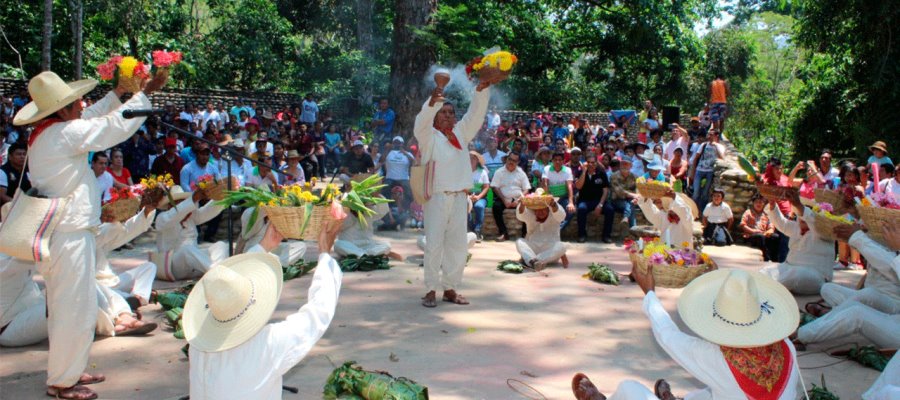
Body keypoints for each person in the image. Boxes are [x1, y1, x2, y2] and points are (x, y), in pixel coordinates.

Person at [12, 70, 165, 399]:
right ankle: (62, 382)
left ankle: (67, 370)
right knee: (71, 308)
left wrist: (118, 93)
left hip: (67, 234)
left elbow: (92, 118)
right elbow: (106, 128)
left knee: (73, 307)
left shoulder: (52, 131)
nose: (81, 104)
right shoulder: (62, 134)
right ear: (62, 110)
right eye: (74, 102)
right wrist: (143, 96)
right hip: (68, 235)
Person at [573, 265, 801, 400]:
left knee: (628, 389)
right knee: (710, 393)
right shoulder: (786, 347)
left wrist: (650, 293)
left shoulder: (717, 358)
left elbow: (668, 335)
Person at [184, 214, 344, 399]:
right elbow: (318, 312)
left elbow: (231, 284)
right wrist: (325, 254)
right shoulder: (267, 344)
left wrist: (264, 246)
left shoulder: (197, 346)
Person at [413, 72, 497, 308]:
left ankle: (450, 288)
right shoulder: (428, 137)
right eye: (444, 113)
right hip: (437, 197)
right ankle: (430, 289)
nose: (449, 116)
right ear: (436, 117)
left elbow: (475, 115)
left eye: (451, 112)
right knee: (434, 245)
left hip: (461, 197)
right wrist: (434, 100)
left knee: (458, 246)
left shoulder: (461, 133)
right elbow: (421, 120)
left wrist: (481, 90)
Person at [794, 225, 899, 350]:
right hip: (893, 316)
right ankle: (830, 317)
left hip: (893, 306)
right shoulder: (881, 239)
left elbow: (890, 268)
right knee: (831, 289)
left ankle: (804, 334)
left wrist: (858, 237)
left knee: (858, 311)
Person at [94, 202, 158, 337]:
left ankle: (137, 298)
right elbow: (109, 231)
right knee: (103, 292)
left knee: (149, 267)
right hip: (97, 287)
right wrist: (115, 220)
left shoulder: (97, 234)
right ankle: (124, 315)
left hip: (114, 283)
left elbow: (128, 231)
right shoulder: (85, 237)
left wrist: (148, 210)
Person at [759, 194, 834, 295]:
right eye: (799, 213)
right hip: (789, 268)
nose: (801, 217)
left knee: (797, 274)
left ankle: (770, 289)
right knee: (766, 271)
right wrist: (772, 205)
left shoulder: (824, 232)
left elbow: (811, 219)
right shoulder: (795, 227)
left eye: (803, 212)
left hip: (816, 277)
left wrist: (799, 205)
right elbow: (781, 223)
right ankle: (764, 287)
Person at [154, 187, 228, 281]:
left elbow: (208, 211)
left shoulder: (191, 216)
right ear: (170, 206)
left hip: (194, 267)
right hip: (173, 267)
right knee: (186, 249)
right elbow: (174, 215)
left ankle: (216, 270)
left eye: (184, 201)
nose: (184, 205)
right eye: (179, 203)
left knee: (220, 245)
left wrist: (222, 196)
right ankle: (219, 274)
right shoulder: (162, 219)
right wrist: (193, 199)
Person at [0, 253, 47, 347]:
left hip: (32, 306)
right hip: (10, 325)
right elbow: (45, 253)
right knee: (61, 308)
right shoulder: (5, 258)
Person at [236, 207, 306, 267]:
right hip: (256, 248)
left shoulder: (277, 213)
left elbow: (287, 234)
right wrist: (265, 209)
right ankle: (273, 263)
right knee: (267, 255)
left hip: (273, 249)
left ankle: (277, 263)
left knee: (301, 245)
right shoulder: (251, 212)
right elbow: (246, 235)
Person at [515, 196, 568, 270]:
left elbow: (561, 215)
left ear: (548, 209)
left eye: (543, 209)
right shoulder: (530, 215)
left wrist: (553, 204)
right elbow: (521, 215)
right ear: (534, 210)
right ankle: (534, 262)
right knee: (519, 241)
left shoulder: (554, 215)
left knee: (563, 246)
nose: (540, 212)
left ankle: (532, 261)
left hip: (549, 253)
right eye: (537, 210)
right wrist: (522, 204)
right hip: (533, 249)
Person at [491, 153, 531, 242]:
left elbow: (526, 189)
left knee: (527, 209)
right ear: (506, 159)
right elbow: (495, 187)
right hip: (503, 198)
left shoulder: (521, 173)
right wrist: (504, 199)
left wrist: (519, 200)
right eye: (510, 159)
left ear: (518, 162)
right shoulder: (499, 171)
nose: (511, 162)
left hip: (518, 199)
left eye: (514, 160)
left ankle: (525, 234)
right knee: (496, 207)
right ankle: (503, 233)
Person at [602, 157, 638, 243]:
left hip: (630, 201)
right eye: (623, 163)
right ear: (620, 165)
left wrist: (635, 196)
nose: (625, 165)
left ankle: (626, 218)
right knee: (629, 205)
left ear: (631, 166)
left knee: (630, 205)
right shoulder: (614, 176)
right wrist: (633, 195)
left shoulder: (635, 177)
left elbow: (639, 191)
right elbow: (619, 192)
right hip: (616, 201)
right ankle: (636, 236)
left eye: (627, 164)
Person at [574, 154, 609, 243]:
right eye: (588, 162)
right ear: (585, 163)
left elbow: (605, 191)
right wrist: (584, 172)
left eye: (593, 163)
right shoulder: (580, 172)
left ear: (596, 163)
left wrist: (600, 205)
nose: (590, 165)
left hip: (598, 200)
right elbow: (578, 186)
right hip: (585, 200)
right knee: (581, 209)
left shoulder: (601, 173)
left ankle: (606, 236)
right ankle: (582, 235)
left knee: (610, 210)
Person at [690, 129, 725, 213]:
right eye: (708, 135)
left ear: (716, 136)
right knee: (696, 192)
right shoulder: (703, 145)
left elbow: (722, 158)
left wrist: (715, 146)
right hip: (699, 169)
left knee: (705, 194)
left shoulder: (720, 146)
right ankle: (693, 211)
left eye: (711, 135)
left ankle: (702, 211)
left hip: (710, 171)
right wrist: (692, 171)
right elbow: (696, 158)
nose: (709, 137)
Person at [739, 193, 780, 262]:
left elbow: (771, 225)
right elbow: (743, 225)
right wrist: (753, 231)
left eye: (761, 202)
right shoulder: (748, 212)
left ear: (764, 204)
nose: (759, 204)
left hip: (763, 234)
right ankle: (766, 258)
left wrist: (770, 230)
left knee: (776, 237)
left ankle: (775, 259)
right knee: (760, 237)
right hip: (751, 235)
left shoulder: (766, 214)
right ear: (753, 203)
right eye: (756, 202)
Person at [543, 151, 576, 230]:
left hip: (563, 197)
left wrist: (571, 202)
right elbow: (545, 184)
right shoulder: (547, 169)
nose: (557, 162)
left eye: (560, 160)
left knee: (571, 211)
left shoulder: (567, 170)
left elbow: (569, 186)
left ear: (563, 161)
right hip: (550, 197)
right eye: (555, 160)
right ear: (552, 161)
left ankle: (558, 230)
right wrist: (548, 199)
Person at [383, 136, 414, 204]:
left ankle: (408, 208)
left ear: (402, 144)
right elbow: (381, 160)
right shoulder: (389, 152)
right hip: (390, 178)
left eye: (399, 143)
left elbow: (414, 162)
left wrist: (405, 153)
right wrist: (386, 149)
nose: (397, 144)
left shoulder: (407, 153)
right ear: (393, 143)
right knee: (384, 189)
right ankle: (387, 207)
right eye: (395, 142)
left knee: (409, 190)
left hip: (404, 178)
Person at [468, 151, 490, 242]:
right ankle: (471, 228)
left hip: (480, 196)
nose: (471, 160)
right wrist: (468, 196)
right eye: (470, 158)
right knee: (465, 206)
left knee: (479, 206)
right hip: (466, 196)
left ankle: (477, 229)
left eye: (473, 158)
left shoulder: (483, 172)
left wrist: (478, 197)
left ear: (477, 160)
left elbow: (486, 187)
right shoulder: (464, 171)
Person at [0, 142, 29, 206]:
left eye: (24, 154)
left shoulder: (29, 171)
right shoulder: (2, 172)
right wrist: (19, 205)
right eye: (19, 154)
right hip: (8, 209)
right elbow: (2, 195)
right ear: (10, 157)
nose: (22, 157)